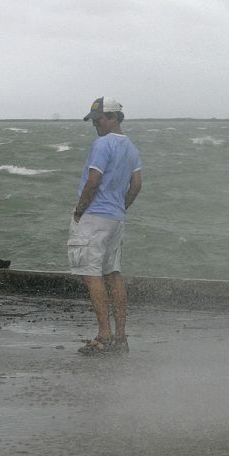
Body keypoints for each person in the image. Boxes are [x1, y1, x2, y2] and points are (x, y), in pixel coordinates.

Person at [68, 96, 142, 355]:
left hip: (94, 217)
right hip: (115, 218)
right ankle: (120, 337)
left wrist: (80, 210)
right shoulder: (131, 148)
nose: (94, 124)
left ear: (113, 118)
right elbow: (136, 185)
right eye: (92, 120)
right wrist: (121, 207)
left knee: (91, 274)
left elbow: (94, 179)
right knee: (113, 273)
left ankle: (103, 336)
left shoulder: (102, 144)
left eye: (98, 119)